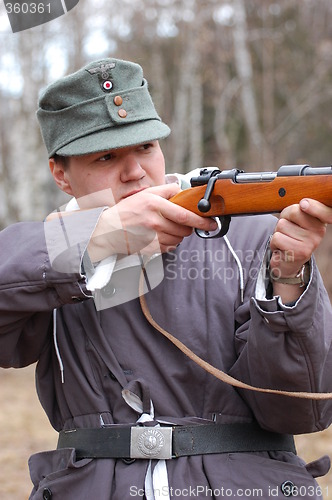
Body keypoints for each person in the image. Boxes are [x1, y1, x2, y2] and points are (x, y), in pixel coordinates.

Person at [0, 57, 332, 500]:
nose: (134, 171)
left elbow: (300, 413)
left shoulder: (251, 234)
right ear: (61, 174)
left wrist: (287, 278)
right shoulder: (48, 253)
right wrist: (97, 239)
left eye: (145, 147)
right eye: (106, 156)